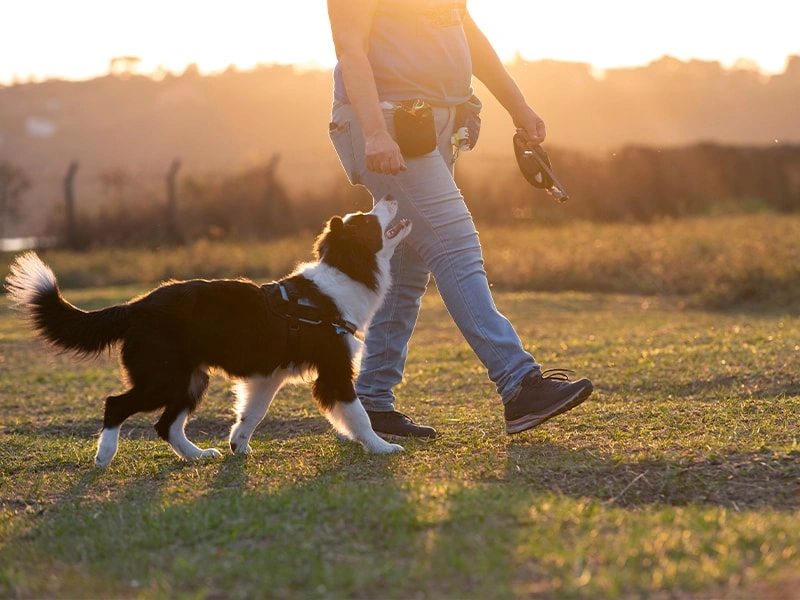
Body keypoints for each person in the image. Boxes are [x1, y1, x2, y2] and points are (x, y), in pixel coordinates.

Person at [326, 0, 593, 439]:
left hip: (431, 125)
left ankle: (370, 402)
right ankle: (518, 384)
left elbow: (471, 37)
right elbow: (350, 50)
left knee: (410, 269)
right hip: (388, 122)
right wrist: (374, 131)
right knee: (455, 246)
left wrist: (517, 105)